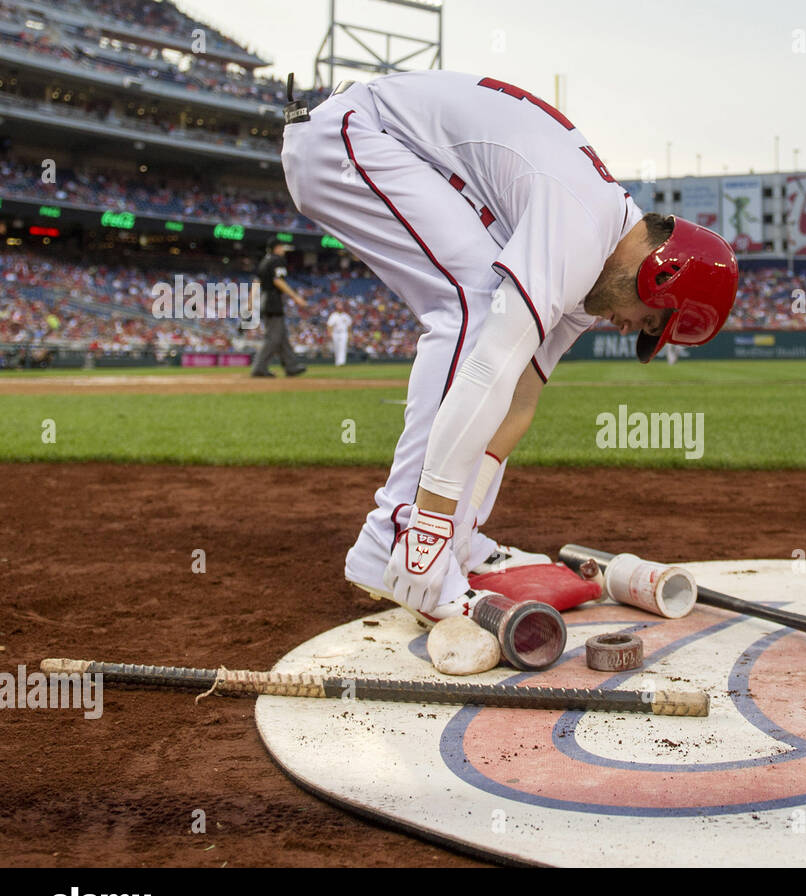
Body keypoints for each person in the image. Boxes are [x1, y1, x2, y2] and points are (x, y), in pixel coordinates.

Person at [279, 70, 738, 622]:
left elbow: (518, 397)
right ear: (661, 280)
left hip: (383, 145)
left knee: (481, 311)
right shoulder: (581, 226)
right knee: (472, 308)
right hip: (348, 135)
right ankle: (400, 536)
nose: (630, 328)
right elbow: (489, 367)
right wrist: (431, 526)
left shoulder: (591, 271)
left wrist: (463, 516)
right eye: (648, 323)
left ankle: (455, 540)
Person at [251, 238, 308, 377]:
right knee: (273, 338)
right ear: (276, 248)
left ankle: (291, 366)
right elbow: (278, 280)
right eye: (282, 247)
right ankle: (259, 367)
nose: (283, 250)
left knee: (281, 336)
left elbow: (256, 282)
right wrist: (296, 297)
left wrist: (250, 301)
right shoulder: (277, 260)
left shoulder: (264, 261)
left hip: (265, 300)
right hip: (273, 301)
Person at [326, 301, 351, 366]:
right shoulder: (333, 315)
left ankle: (342, 362)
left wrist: (349, 333)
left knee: (343, 347)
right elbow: (329, 325)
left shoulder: (346, 315)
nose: (340, 307)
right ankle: (337, 362)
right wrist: (329, 333)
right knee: (336, 347)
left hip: (344, 333)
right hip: (335, 332)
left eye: (341, 306)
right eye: (339, 306)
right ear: (336, 307)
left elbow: (349, 325)